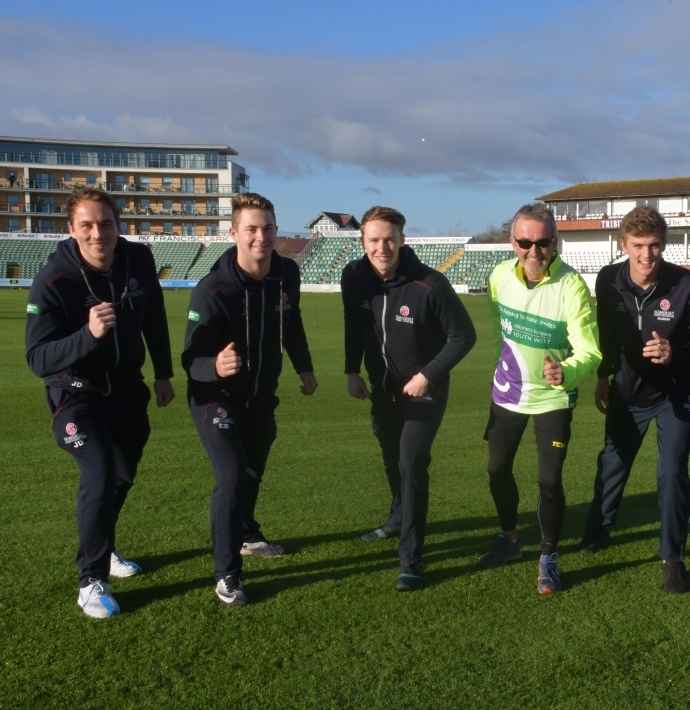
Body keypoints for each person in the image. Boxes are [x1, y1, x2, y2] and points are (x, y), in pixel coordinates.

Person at [25, 186, 175, 618]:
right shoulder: (54, 280)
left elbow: (154, 316)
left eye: (105, 224)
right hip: (74, 395)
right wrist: (87, 335)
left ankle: (103, 546)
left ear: (118, 226)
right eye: (87, 225)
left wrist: (163, 372)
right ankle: (91, 579)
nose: (98, 234)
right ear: (72, 229)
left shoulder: (139, 260)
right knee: (100, 467)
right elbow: (37, 359)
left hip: (128, 391)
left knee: (122, 476)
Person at [182, 192, 317, 607]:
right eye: (252, 229)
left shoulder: (286, 274)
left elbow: (290, 323)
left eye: (268, 228)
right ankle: (227, 575)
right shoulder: (213, 289)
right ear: (234, 233)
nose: (262, 237)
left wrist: (304, 367)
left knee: (252, 472)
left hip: (261, 397)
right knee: (233, 473)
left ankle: (245, 533)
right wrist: (214, 366)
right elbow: (190, 359)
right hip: (215, 397)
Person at [577, 206, 690, 594]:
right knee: (612, 463)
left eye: (654, 245)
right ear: (623, 245)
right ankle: (599, 530)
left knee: (671, 471)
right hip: (627, 390)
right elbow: (605, 332)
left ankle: (673, 558)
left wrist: (676, 352)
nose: (646, 255)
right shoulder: (607, 280)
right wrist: (603, 376)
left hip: (675, 391)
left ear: (663, 244)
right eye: (637, 246)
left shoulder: (689, 285)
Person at [343, 206, 476, 591]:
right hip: (382, 389)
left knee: (411, 461)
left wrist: (426, 375)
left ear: (402, 240)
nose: (382, 247)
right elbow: (354, 325)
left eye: (389, 239)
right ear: (363, 241)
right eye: (374, 239)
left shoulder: (429, 284)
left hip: (425, 390)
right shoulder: (354, 277)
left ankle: (411, 561)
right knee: (391, 458)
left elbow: (464, 336)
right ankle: (397, 519)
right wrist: (352, 371)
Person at [479, 202, 601, 594]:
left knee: (549, 481)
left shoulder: (572, 286)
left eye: (543, 242)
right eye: (524, 242)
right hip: (507, 394)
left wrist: (566, 372)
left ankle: (548, 555)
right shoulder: (499, 276)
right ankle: (510, 539)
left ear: (556, 243)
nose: (534, 251)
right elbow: (501, 329)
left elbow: (590, 351)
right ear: (512, 242)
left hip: (553, 398)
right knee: (497, 470)